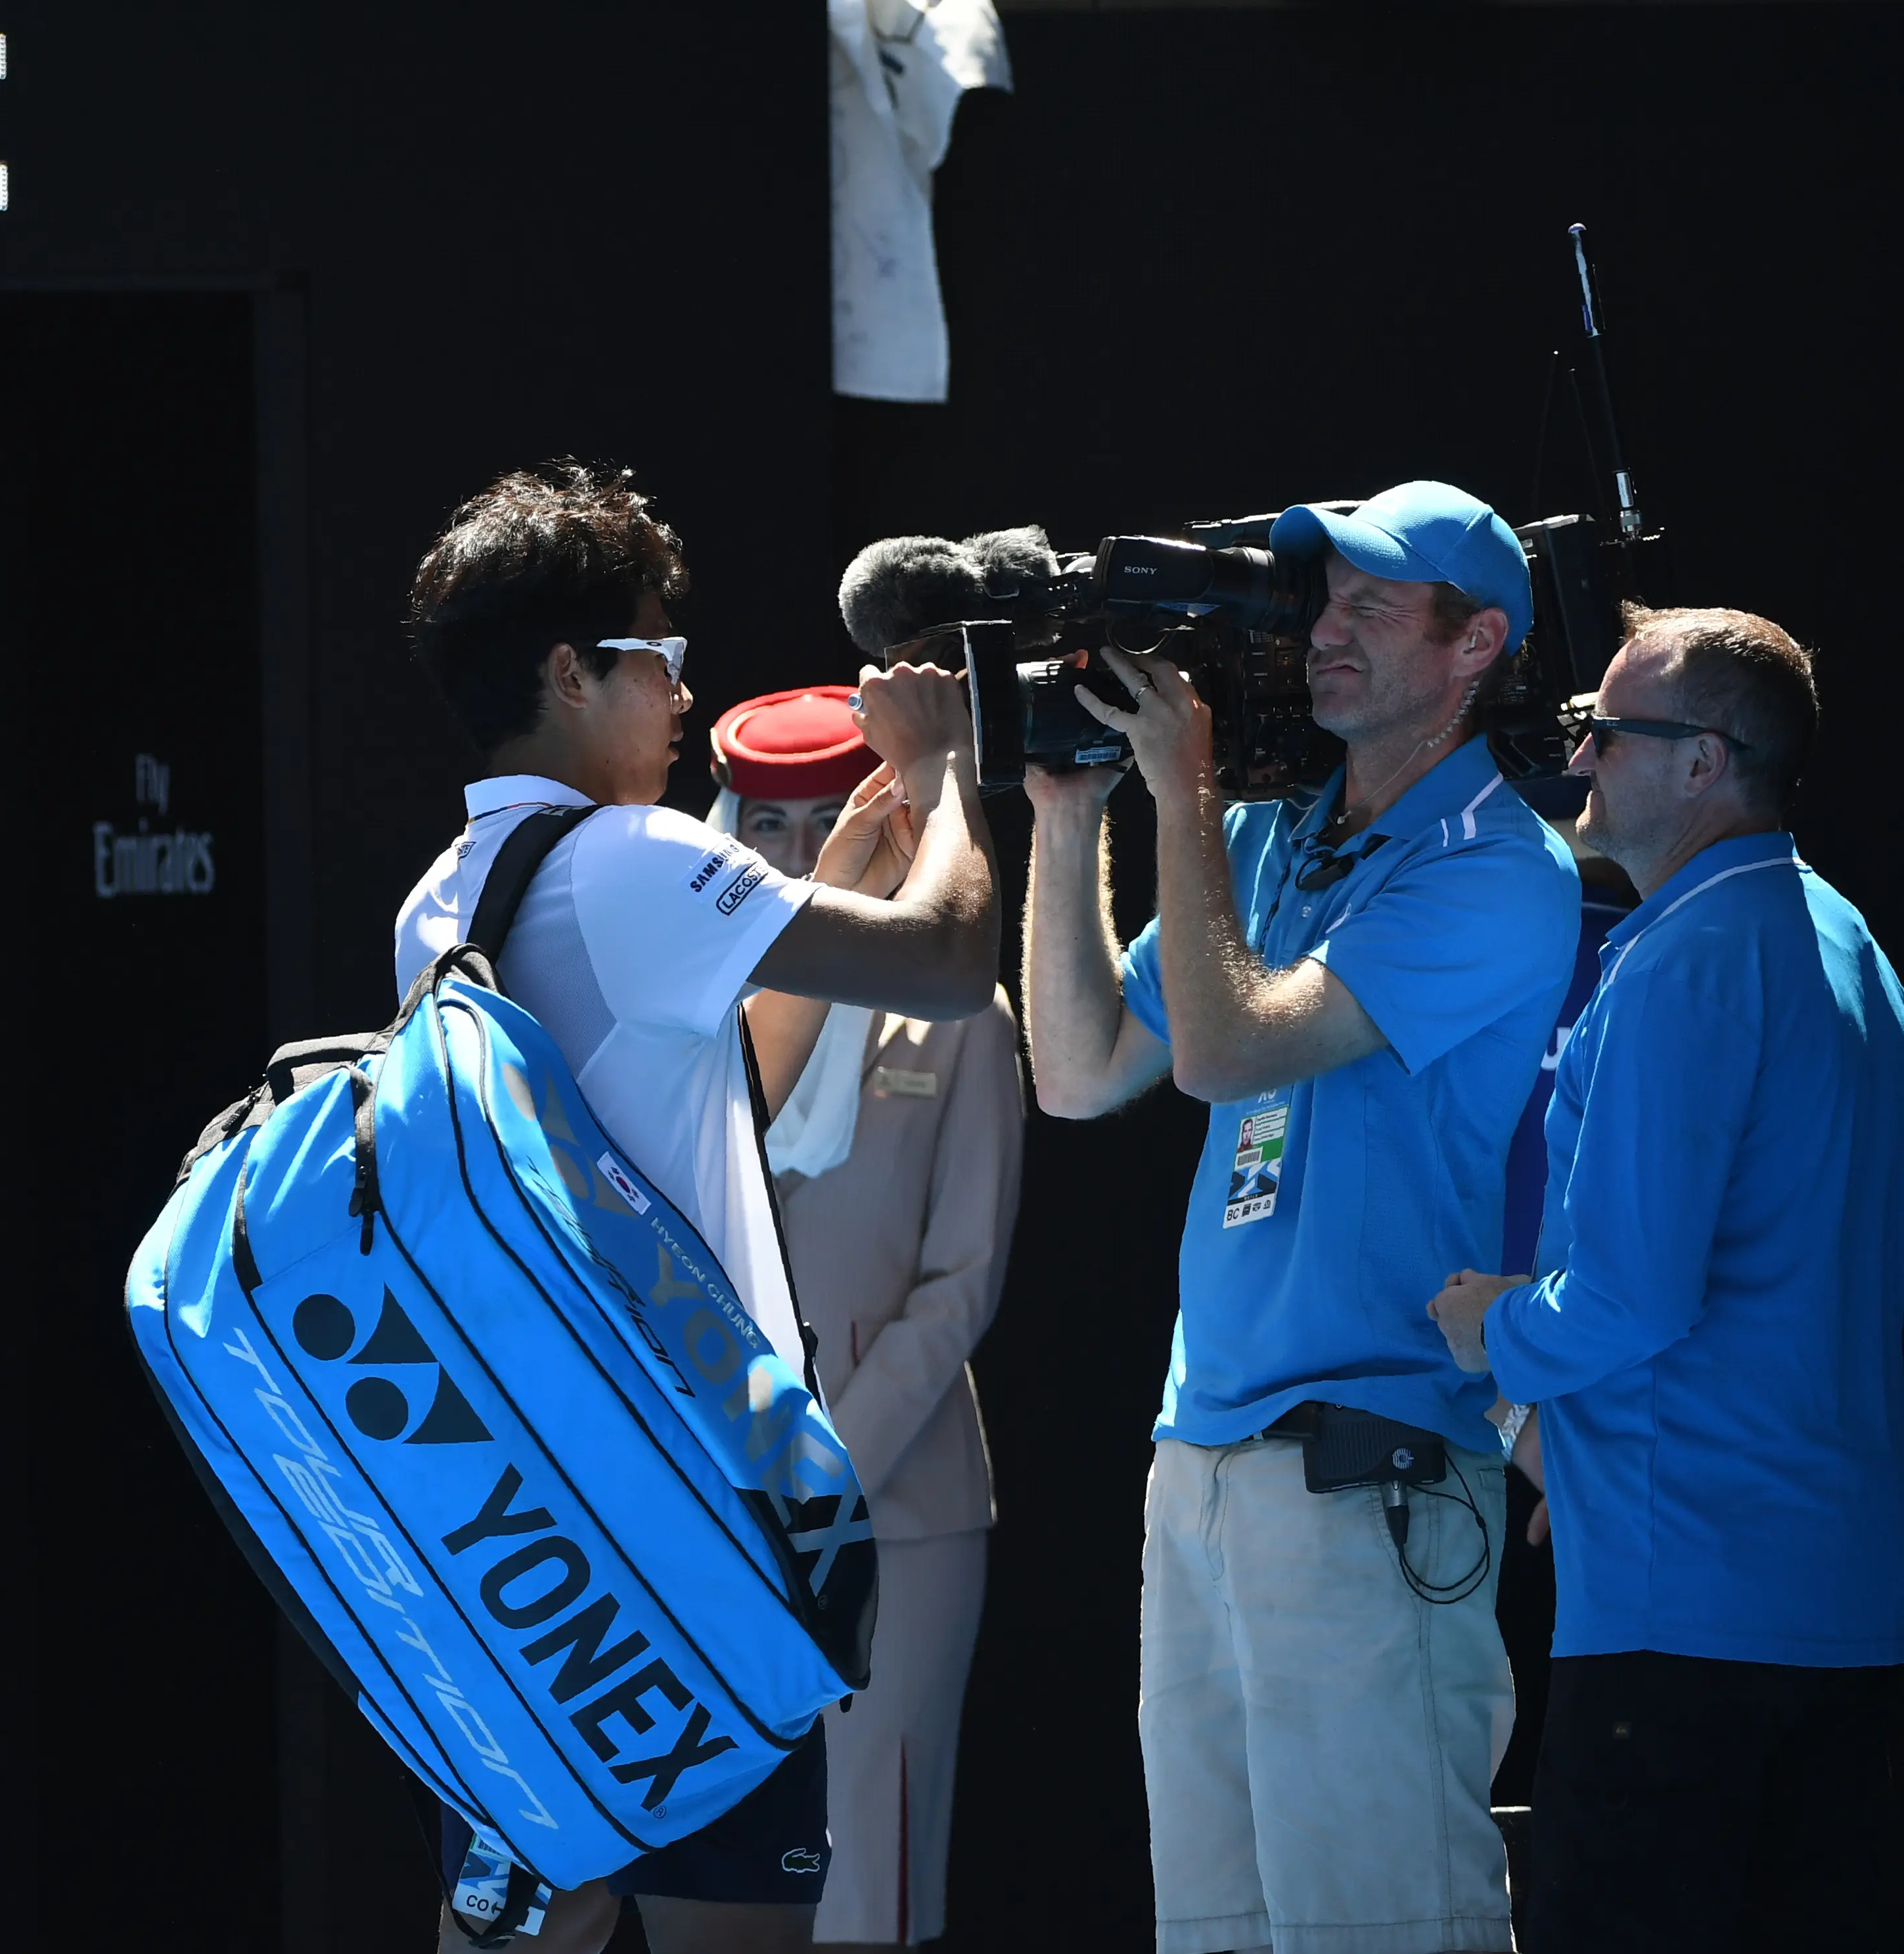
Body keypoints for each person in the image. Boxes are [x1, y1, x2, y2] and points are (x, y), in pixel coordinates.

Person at [394, 462, 1000, 1954]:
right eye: (659, 659)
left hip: (526, 1494)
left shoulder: (446, 892)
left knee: (546, 1900)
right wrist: (945, 782)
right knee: (721, 1927)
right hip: (683, 1506)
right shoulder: (635, 858)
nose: (681, 696)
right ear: (566, 671)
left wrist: (843, 858)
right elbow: (948, 957)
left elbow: (720, 1080)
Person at [1022, 481, 1579, 1954]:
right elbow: (1078, 1072)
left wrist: (1184, 796)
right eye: (1321, 600)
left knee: (1381, 1928)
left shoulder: (1498, 865)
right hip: (1202, 1461)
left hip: (1368, 1467)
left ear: (1478, 646)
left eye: (1370, 607)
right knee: (1218, 1930)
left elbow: (1220, 1052)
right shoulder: (1282, 833)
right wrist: (1073, 812)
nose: (1322, 631)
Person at [1426, 605, 1904, 1949]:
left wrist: (1492, 1331)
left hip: (1678, 1631)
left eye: (1603, 729)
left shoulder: (1682, 958)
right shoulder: (1847, 938)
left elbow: (1630, 1302)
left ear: (1700, 762)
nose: (1574, 754)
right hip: (1840, 1619)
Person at [712, 686, 1022, 1953]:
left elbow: (963, 1283)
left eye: (815, 824)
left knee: (866, 1878)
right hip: (713, 1507)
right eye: (760, 826)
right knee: (721, 1879)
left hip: (892, 1509)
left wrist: (824, 1466)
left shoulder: (961, 1019)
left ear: (886, 822)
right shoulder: (690, 1023)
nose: (789, 859)